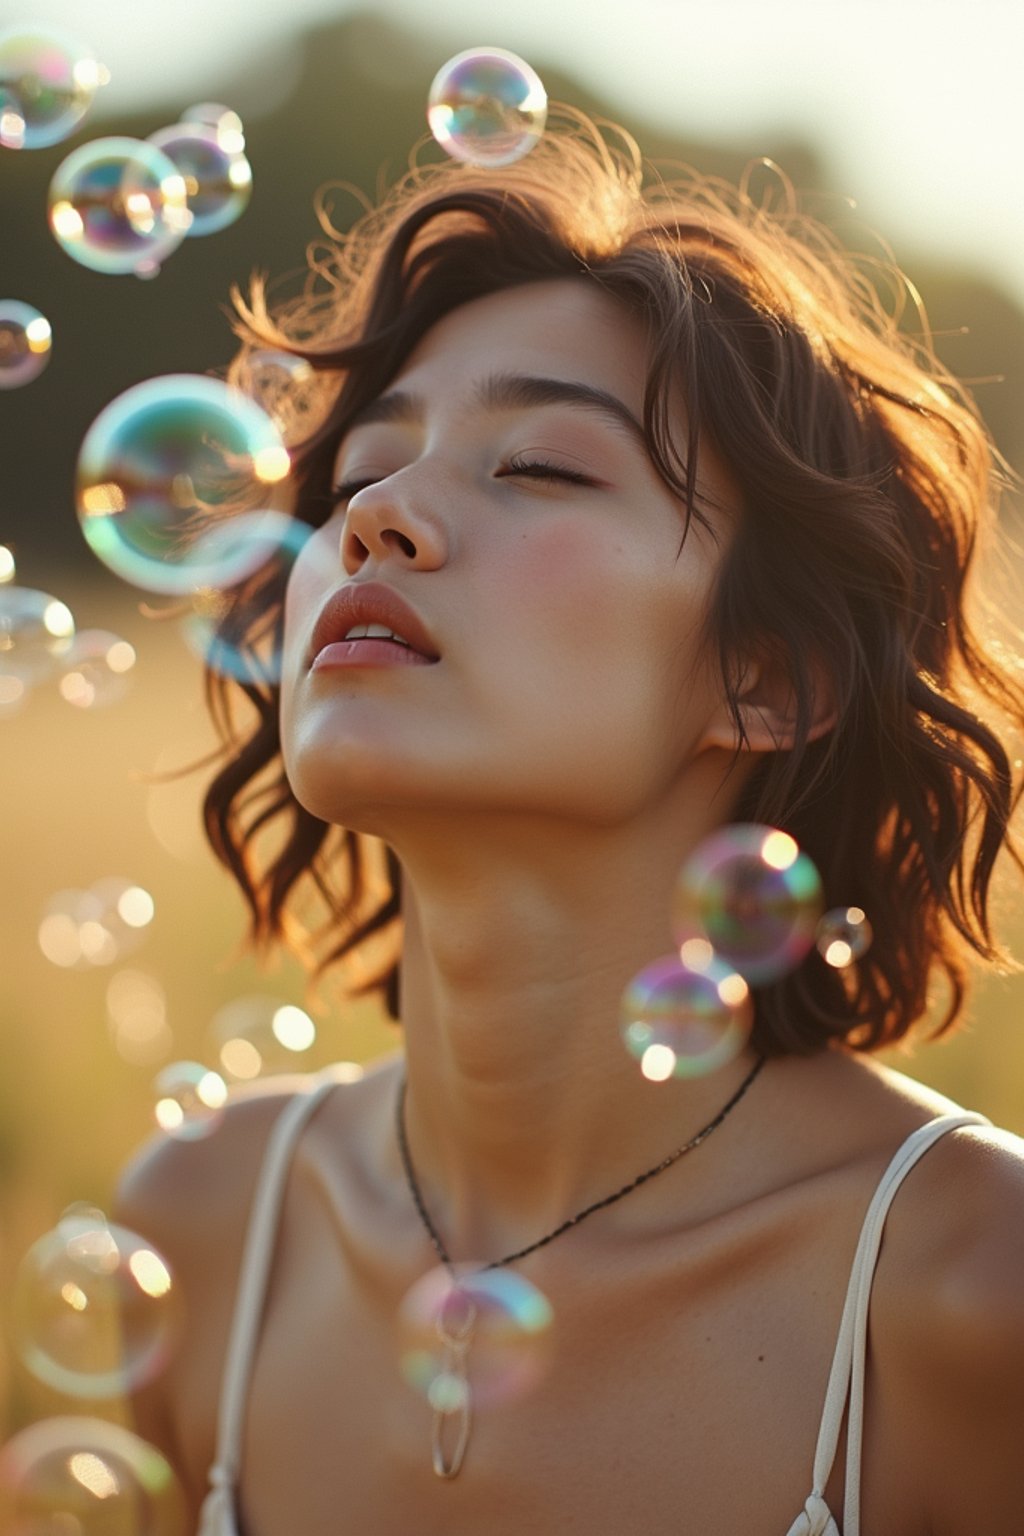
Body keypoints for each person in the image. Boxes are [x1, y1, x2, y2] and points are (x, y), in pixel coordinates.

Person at [116, 106, 1024, 1534]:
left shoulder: (971, 1286)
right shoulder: (203, 1228)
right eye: (359, 474)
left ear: (768, 676)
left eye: (539, 465)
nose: (380, 517)